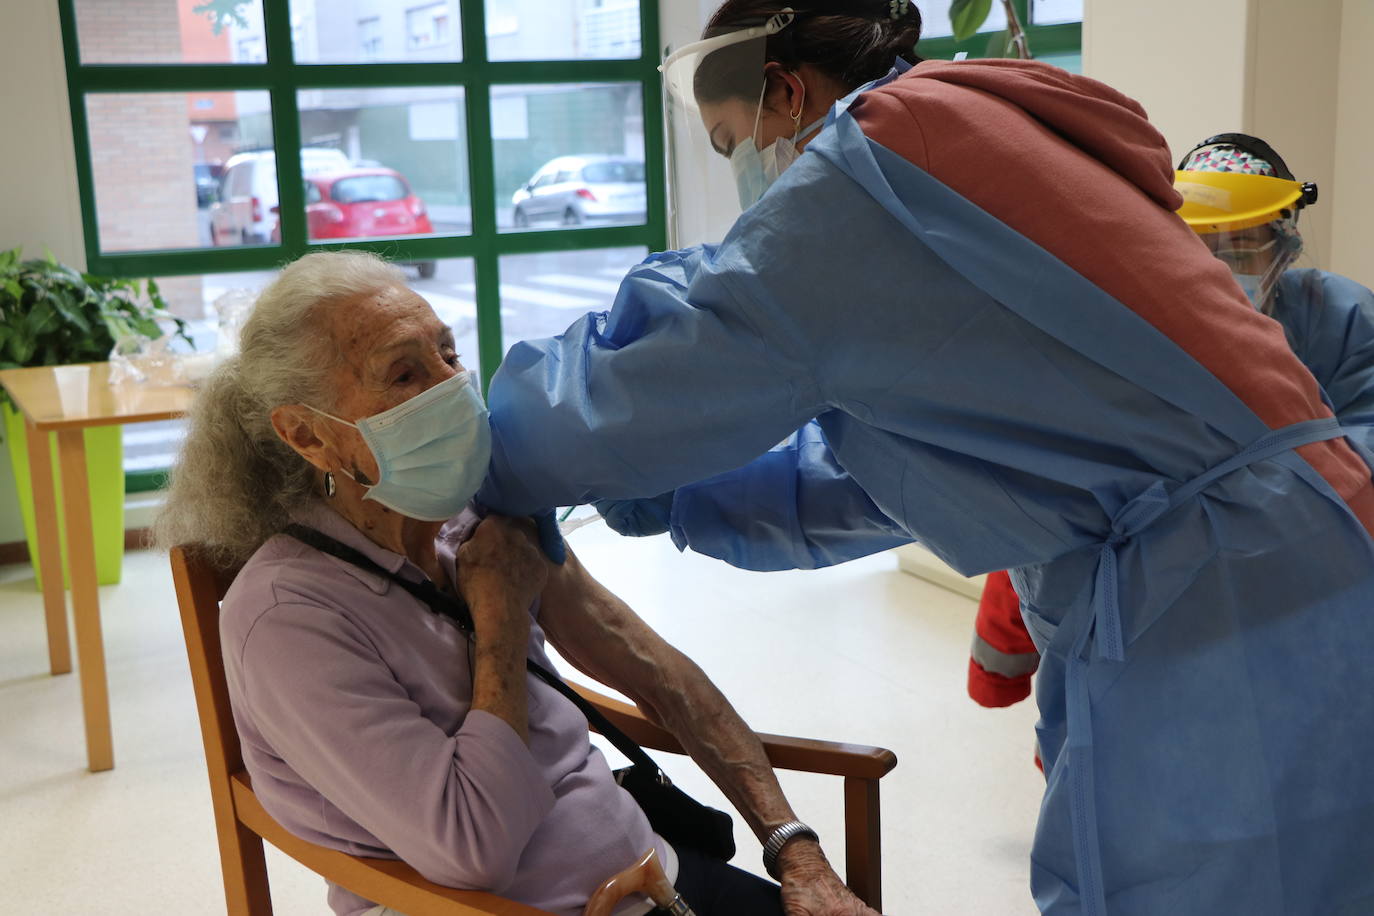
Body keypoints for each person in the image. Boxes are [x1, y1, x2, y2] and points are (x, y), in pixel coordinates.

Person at [474, 2, 1374, 913]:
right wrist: (681, 497)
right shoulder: (967, 137)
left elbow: (644, 379)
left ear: (785, 92)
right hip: (1266, 560)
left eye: (729, 141)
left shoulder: (868, 175)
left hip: (1232, 603)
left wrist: (474, 451)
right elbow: (908, 476)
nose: (744, 174)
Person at [152, 251, 876, 916]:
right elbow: (471, 846)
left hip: (654, 879)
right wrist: (498, 617)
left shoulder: (473, 516)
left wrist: (795, 850)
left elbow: (650, 667)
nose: (454, 390)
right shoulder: (286, 617)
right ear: (309, 436)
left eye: (447, 353)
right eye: (405, 375)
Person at [968, 133, 1374, 714]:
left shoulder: (1339, 318)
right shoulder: (1129, 321)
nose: (1220, 267)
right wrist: (998, 670)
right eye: (1201, 244)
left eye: (1242, 246)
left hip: (1303, 598)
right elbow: (1053, 508)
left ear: (1283, 244)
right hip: (1139, 619)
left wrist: (1255, 503)